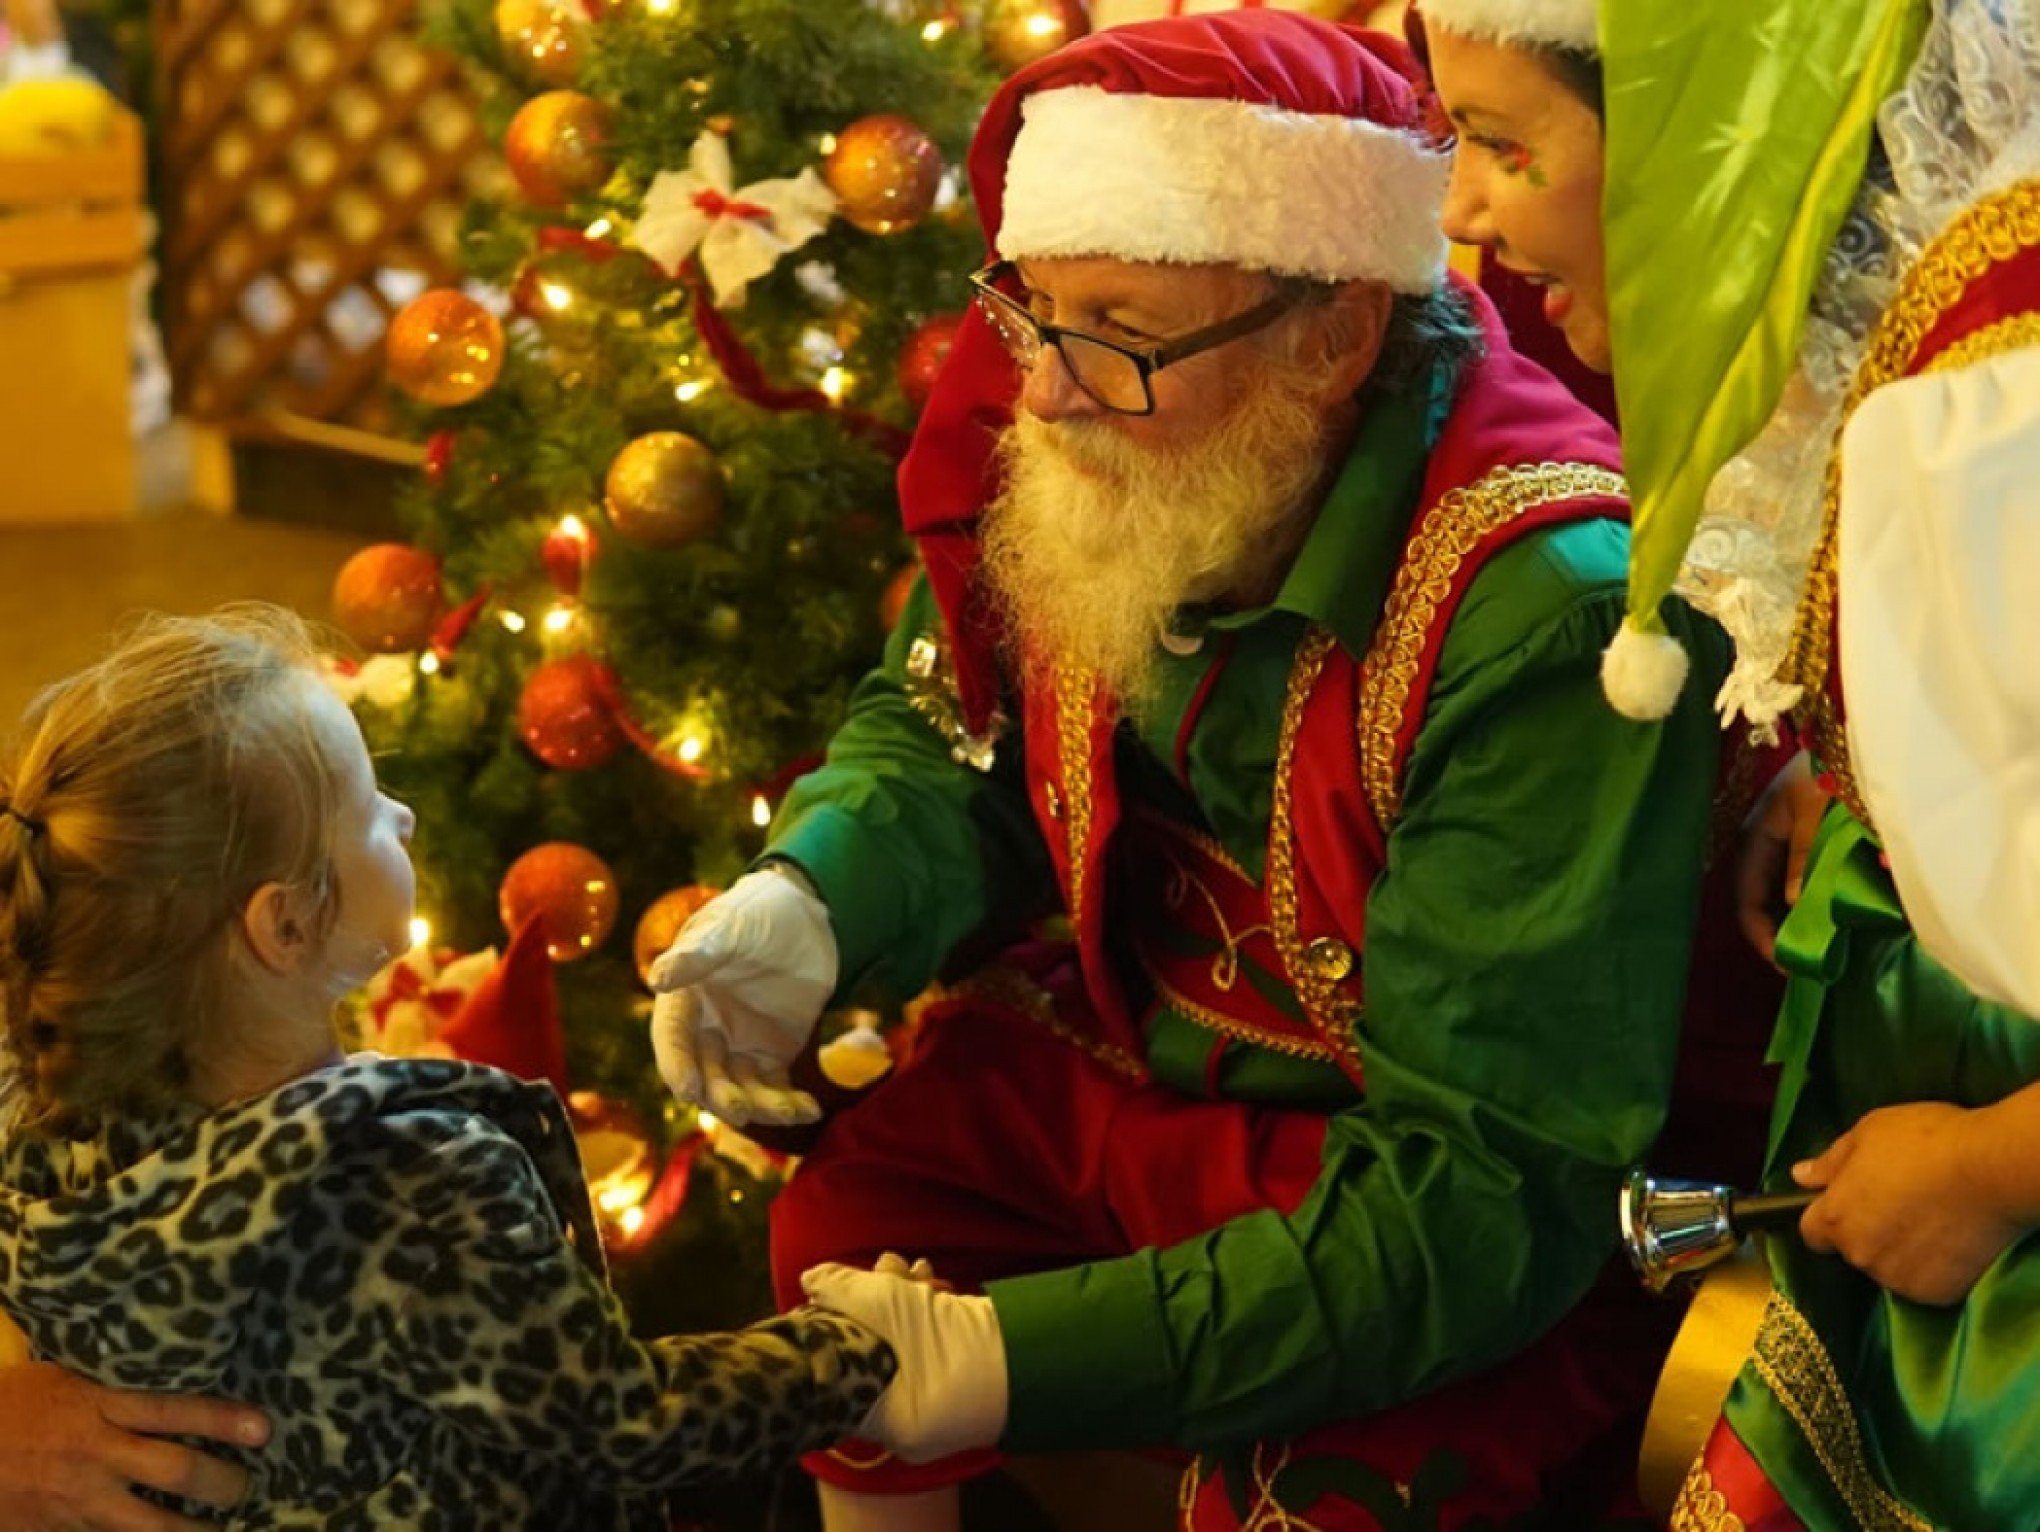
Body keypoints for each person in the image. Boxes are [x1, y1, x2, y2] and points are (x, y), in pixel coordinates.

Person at [646, 12, 1750, 1530]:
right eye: (1029, 315)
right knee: (865, 1195)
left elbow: (1484, 1196)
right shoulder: (1092, 423)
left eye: (1113, 327)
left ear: (1334, 336)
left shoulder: (1545, 607)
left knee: (1316, 1496)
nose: (1040, 391)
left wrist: (1006, 1363)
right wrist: (816, 893)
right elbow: (951, 719)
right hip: (1175, 1073)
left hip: (1440, 1190)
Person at [1422, 0, 2040, 1524]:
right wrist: (1873, 782)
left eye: (1509, 145)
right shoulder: (1936, 352)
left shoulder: (1979, 425)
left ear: (1718, 137)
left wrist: (1993, 1171)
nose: (1463, 210)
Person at [0, 605, 894, 1528]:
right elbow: (627, 1418)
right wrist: (850, 1351)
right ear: (286, 924)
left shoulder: (41, 1124)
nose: (406, 813)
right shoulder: (419, 1184)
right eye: (367, 809)